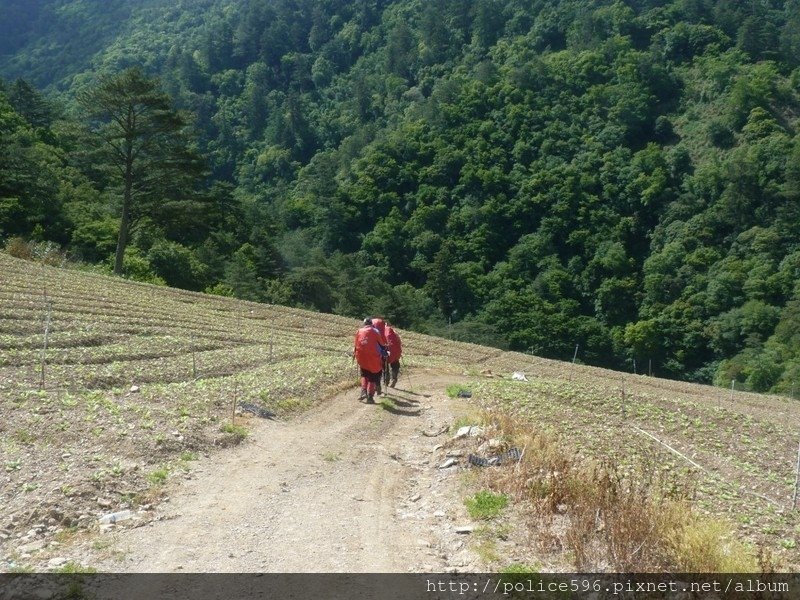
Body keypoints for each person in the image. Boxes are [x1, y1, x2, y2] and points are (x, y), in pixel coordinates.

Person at [353, 318, 386, 403]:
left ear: (364, 324)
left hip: (361, 356)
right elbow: (382, 345)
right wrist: (385, 350)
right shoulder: (375, 331)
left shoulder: (359, 331)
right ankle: (370, 397)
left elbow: (355, 345)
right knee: (372, 376)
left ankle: (363, 391)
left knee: (364, 374)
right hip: (372, 357)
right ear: (371, 324)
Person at [385, 321, 402, 388]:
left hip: (387, 351)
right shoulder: (395, 332)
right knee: (395, 364)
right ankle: (394, 378)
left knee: (384, 364)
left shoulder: (383, 331)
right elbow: (399, 342)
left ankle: (386, 380)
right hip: (396, 351)